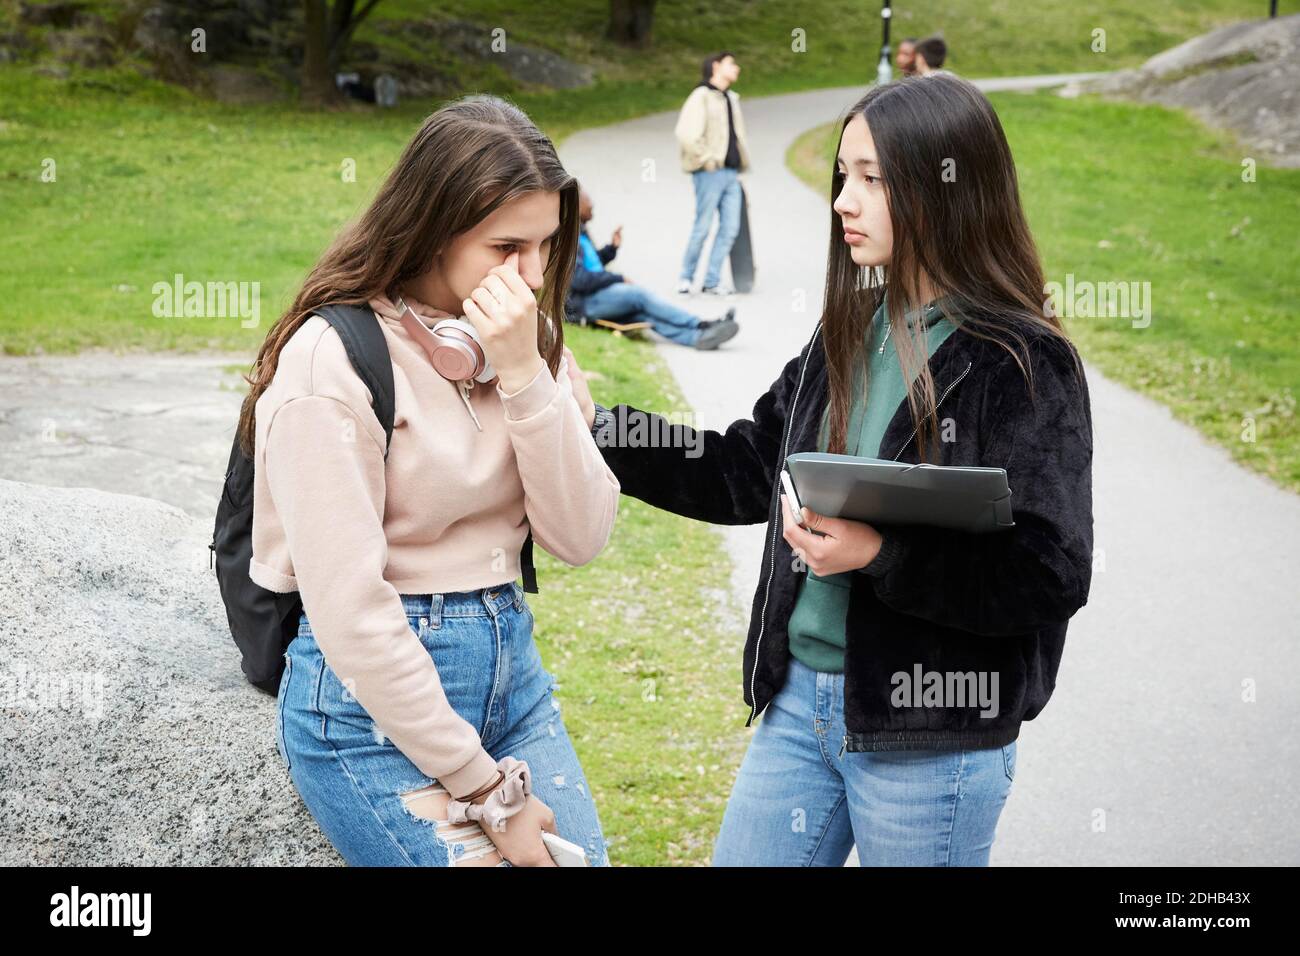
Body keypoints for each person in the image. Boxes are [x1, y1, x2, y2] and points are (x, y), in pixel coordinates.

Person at [565, 75, 1094, 866]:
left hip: (929, 738)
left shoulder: (1022, 362)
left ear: (949, 188)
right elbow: (745, 468)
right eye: (844, 175)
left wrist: (880, 556)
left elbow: (1050, 572)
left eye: (874, 179)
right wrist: (599, 427)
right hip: (799, 708)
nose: (845, 200)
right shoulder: (849, 328)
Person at [239, 93, 620, 867]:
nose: (532, 274)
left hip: (512, 683)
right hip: (368, 707)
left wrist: (523, 376)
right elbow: (351, 614)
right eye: (506, 247)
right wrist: (487, 791)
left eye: (547, 246)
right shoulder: (330, 360)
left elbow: (582, 535)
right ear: (431, 230)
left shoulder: (521, 342)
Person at [567, 188, 740, 350]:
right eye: (587, 200)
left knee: (643, 314)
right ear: (576, 204)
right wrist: (618, 278)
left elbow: (592, 266)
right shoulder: (569, 237)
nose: (592, 205)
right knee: (638, 295)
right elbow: (580, 280)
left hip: (598, 297)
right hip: (585, 304)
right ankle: (700, 324)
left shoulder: (581, 232)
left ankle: (696, 337)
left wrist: (611, 248)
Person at [674, 50, 751, 297]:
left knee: (730, 228)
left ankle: (712, 280)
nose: (737, 68)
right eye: (732, 63)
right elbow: (686, 134)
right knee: (703, 226)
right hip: (710, 173)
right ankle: (685, 278)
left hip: (731, 173)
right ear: (716, 66)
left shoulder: (730, 97)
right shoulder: (702, 96)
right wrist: (707, 161)